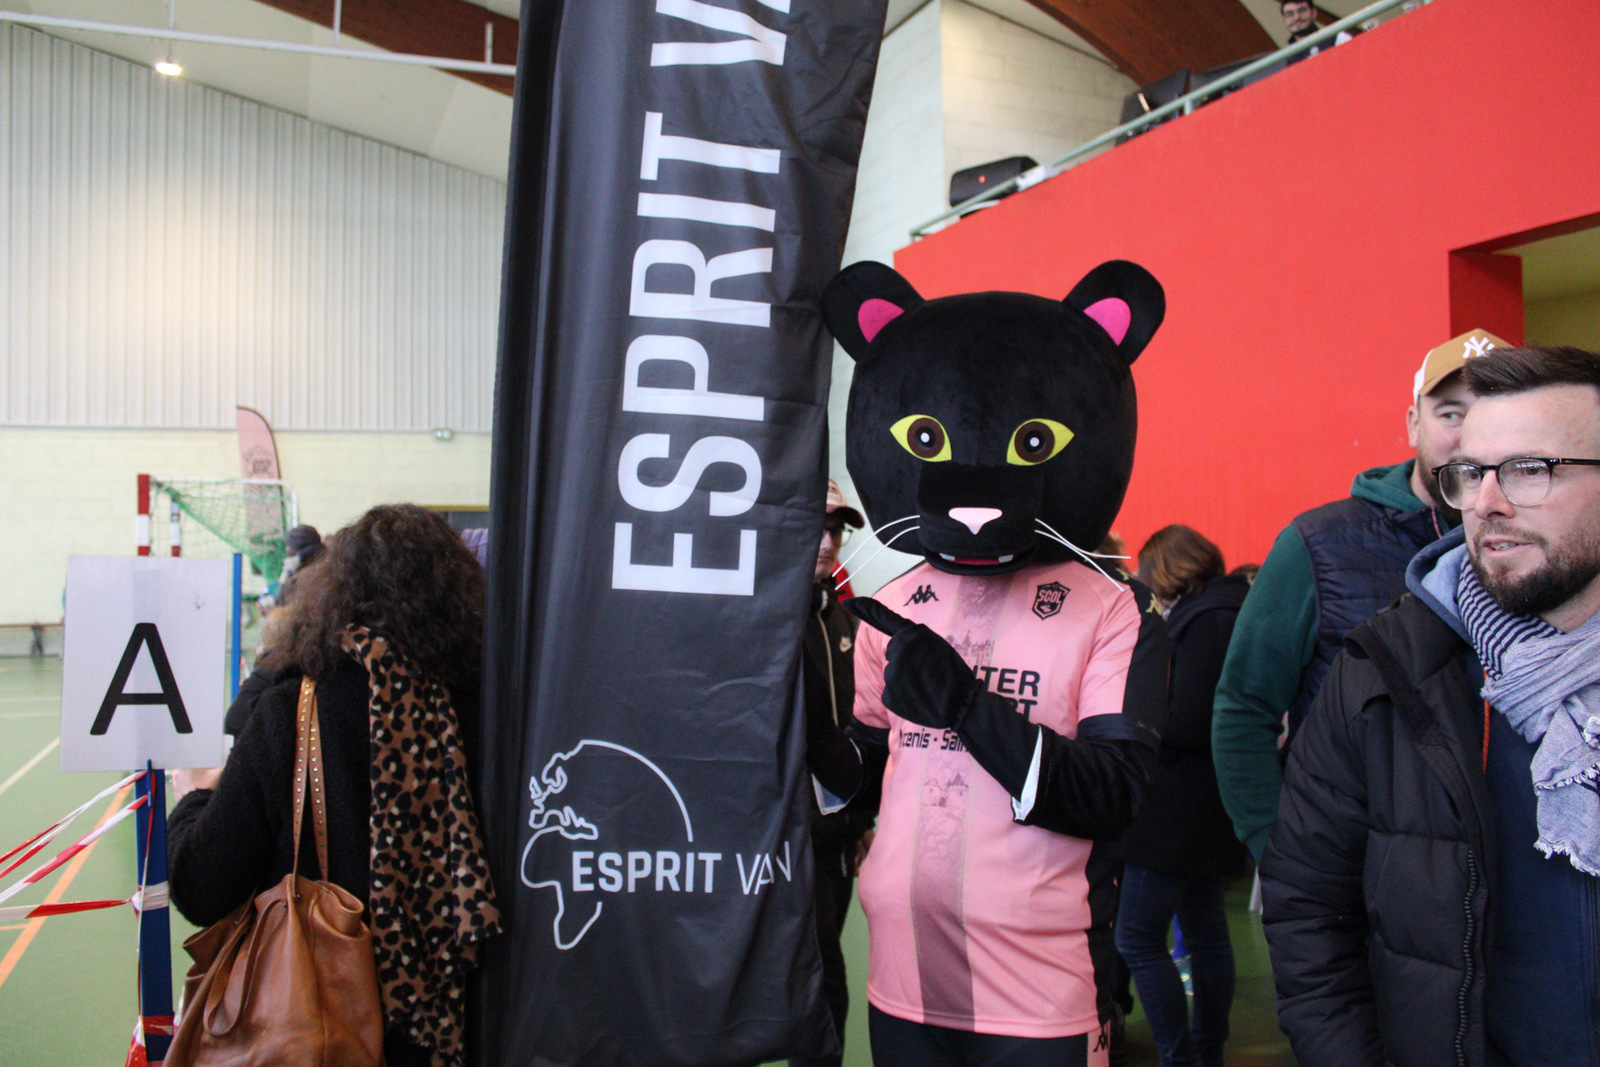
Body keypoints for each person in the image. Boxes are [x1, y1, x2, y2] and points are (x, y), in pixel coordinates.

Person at [1260, 344, 1600, 1067]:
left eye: (1530, 469)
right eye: (1471, 473)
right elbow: (1309, 909)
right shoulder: (1383, 671)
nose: (1486, 503)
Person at [169, 504, 502, 1067]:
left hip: (321, 1018)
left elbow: (201, 888)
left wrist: (194, 798)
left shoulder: (293, 712)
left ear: (334, 596)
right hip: (463, 1023)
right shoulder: (493, 711)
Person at [1212, 329, 1506, 860]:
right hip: (1354, 868)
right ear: (1413, 423)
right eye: (1451, 413)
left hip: (1510, 865)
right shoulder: (1318, 544)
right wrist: (1277, 851)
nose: (1471, 435)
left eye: (1496, 412)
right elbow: (1243, 708)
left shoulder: (1543, 545)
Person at [1116, 526, 1250, 1067]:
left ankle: (1182, 1056)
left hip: (1174, 812)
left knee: (1137, 938)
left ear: (1168, 571)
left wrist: (1132, 717)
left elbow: (1189, 722)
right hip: (1208, 805)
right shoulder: (1226, 612)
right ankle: (1204, 1050)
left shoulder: (1205, 622)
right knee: (1206, 934)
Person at [793, 480, 877, 1067]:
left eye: (835, 531)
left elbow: (858, 724)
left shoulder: (842, 618)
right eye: (814, 528)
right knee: (817, 982)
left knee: (824, 983)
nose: (827, 543)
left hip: (836, 837)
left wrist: (864, 818)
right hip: (781, 841)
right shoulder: (761, 617)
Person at [1280, 0, 1351, 63]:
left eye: (1302, 10)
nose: (1297, 17)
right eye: (1289, 14)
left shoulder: (1338, 38)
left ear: (1314, 13)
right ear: (1284, 19)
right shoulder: (1284, 59)